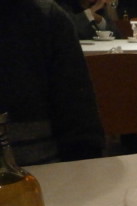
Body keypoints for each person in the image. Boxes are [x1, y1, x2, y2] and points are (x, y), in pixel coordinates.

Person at [0, 0, 105, 166]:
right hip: (41, 164)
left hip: (47, 171)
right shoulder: (49, 13)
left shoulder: (46, 15)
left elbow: (79, 120)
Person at [57, 0, 121, 40]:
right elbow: (70, 29)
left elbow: (117, 36)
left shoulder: (100, 8)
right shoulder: (64, 5)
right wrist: (91, 12)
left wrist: (100, 21)